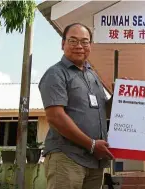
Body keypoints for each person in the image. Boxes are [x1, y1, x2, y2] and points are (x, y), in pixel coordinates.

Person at [39, 23, 115, 189]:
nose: (79, 46)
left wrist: (119, 99)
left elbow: (103, 111)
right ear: (63, 44)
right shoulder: (56, 73)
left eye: (84, 42)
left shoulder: (92, 75)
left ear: (90, 46)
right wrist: (92, 145)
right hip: (67, 158)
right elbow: (55, 117)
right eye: (73, 41)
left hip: (94, 161)